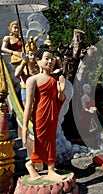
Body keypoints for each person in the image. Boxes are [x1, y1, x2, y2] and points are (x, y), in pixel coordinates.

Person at [22, 45, 66, 181]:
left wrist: (61, 92)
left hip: (52, 114)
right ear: (38, 60)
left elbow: (59, 100)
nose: (50, 61)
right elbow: (28, 104)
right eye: (46, 58)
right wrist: (24, 126)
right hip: (40, 115)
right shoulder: (32, 80)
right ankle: (31, 163)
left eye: (52, 59)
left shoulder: (54, 80)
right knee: (41, 141)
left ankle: (50, 169)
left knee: (51, 141)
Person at [14, 40, 39, 107]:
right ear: (27, 55)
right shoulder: (23, 67)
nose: (33, 57)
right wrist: (23, 63)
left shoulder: (38, 67)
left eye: (34, 54)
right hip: (26, 90)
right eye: (31, 55)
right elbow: (17, 74)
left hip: (37, 91)